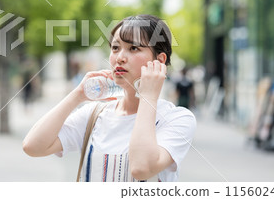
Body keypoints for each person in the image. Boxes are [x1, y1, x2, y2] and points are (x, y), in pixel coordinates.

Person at [23, 15, 196, 182]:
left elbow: (141, 168)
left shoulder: (177, 119)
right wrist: (78, 95)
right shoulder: (95, 114)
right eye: (115, 48)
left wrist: (148, 96)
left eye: (133, 48)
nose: (119, 57)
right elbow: (33, 146)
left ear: (159, 60)